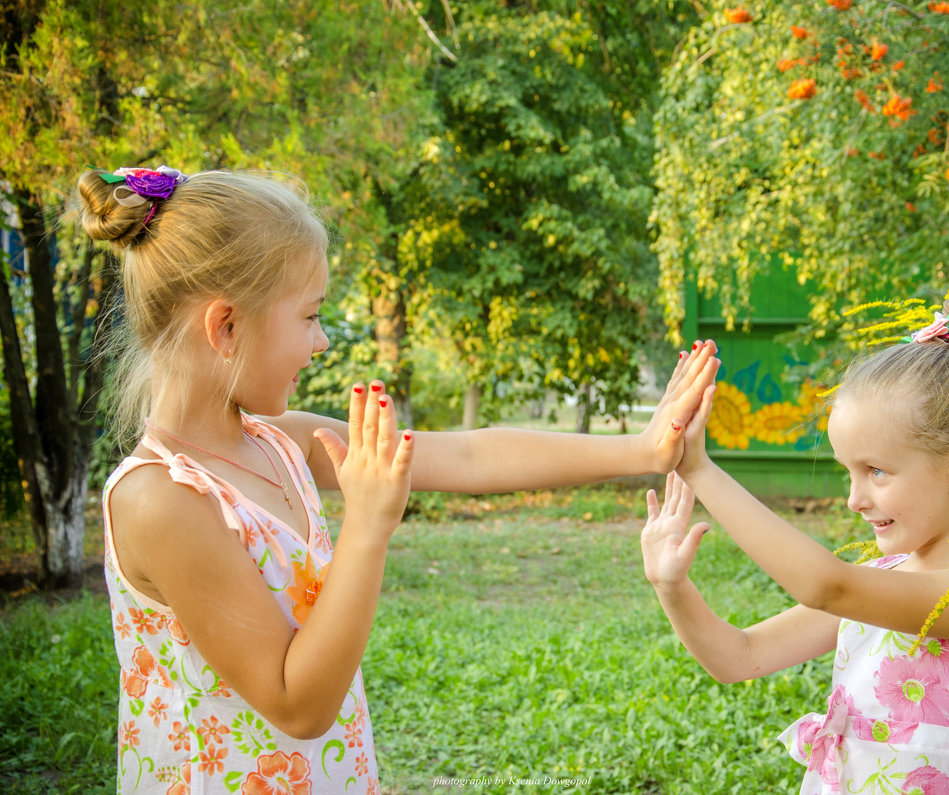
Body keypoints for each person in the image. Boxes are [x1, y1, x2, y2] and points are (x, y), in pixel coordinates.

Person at [78, 165, 719, 793]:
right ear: (226, 327)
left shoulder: (282, 443)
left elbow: (469, 458)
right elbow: (297, 705)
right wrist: (369, 525)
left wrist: (640, 449)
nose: (323, 340)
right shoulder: (161, 501)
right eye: (309, 317)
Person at [640, 297, 949, 795]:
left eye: (875, 471)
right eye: (848, 471)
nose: (854, 499)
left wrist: (699, 468)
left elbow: (825, 584)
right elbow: (739, 657)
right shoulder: (885, 580)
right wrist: (671, 585)